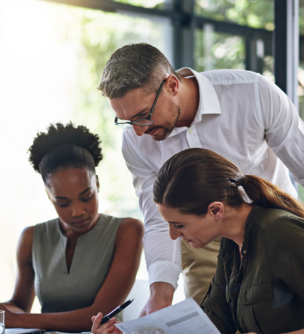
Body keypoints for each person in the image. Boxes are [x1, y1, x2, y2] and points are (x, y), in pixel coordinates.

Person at [98, 43, 304, 314]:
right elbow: (160, 222)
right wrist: (160, 294)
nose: (138, 132)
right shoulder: (136, 141)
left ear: (172, 84)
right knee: (206, 329)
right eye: (125, 121)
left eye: (143, 116)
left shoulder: (252, 93)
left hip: (271, 227)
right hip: (197, 236)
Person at [92, 148, 304, 334]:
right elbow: (214, 326)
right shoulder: (231, 244)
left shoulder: (279, 231)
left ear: (215, 210)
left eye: (179, 225)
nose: (173, 235)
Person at [0, 123, 143, 331]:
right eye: (63, 203)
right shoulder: (31, 237)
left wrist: (14, 320)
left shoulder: (127, 231)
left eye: (86, 197)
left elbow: (98, 315)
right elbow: (19, 306)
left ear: (97, 184)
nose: (77, 211)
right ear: (49, 196)